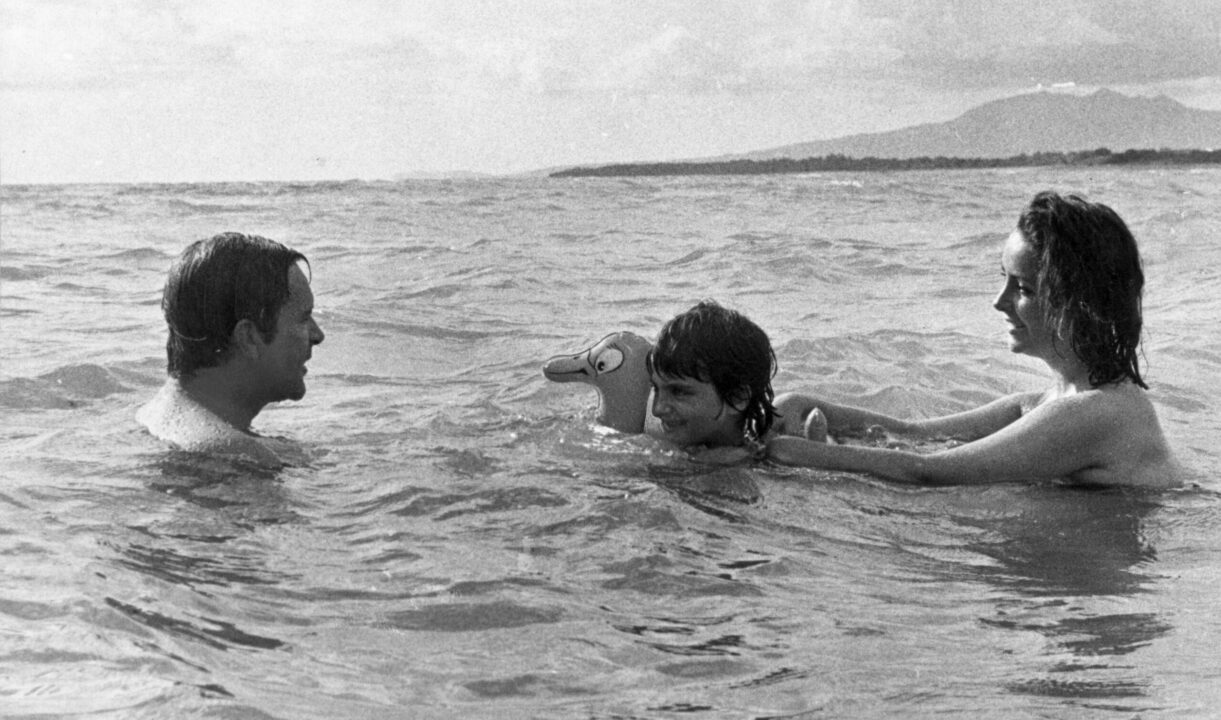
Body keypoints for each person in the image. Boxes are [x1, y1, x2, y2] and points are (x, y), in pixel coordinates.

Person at [768, 191, 1180, 488]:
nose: (999, 302)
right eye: (1004, 280)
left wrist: (784, 452)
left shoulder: (1098, 413)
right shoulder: (1045, 402)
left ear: (1079, 303)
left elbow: (927, 472)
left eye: (1023, 288)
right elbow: (912, 436)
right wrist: (805, 403)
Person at [137, 232, 325, 464]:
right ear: (248, 338)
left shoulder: (153, 414)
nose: (318, 335)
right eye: (303, 318)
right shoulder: (237, 455)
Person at [647, 300, 778, 457]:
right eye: (656, 388)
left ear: (737, 397)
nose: (657, 409)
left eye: (678, 392)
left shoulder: (772, 457)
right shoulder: (658, 448)